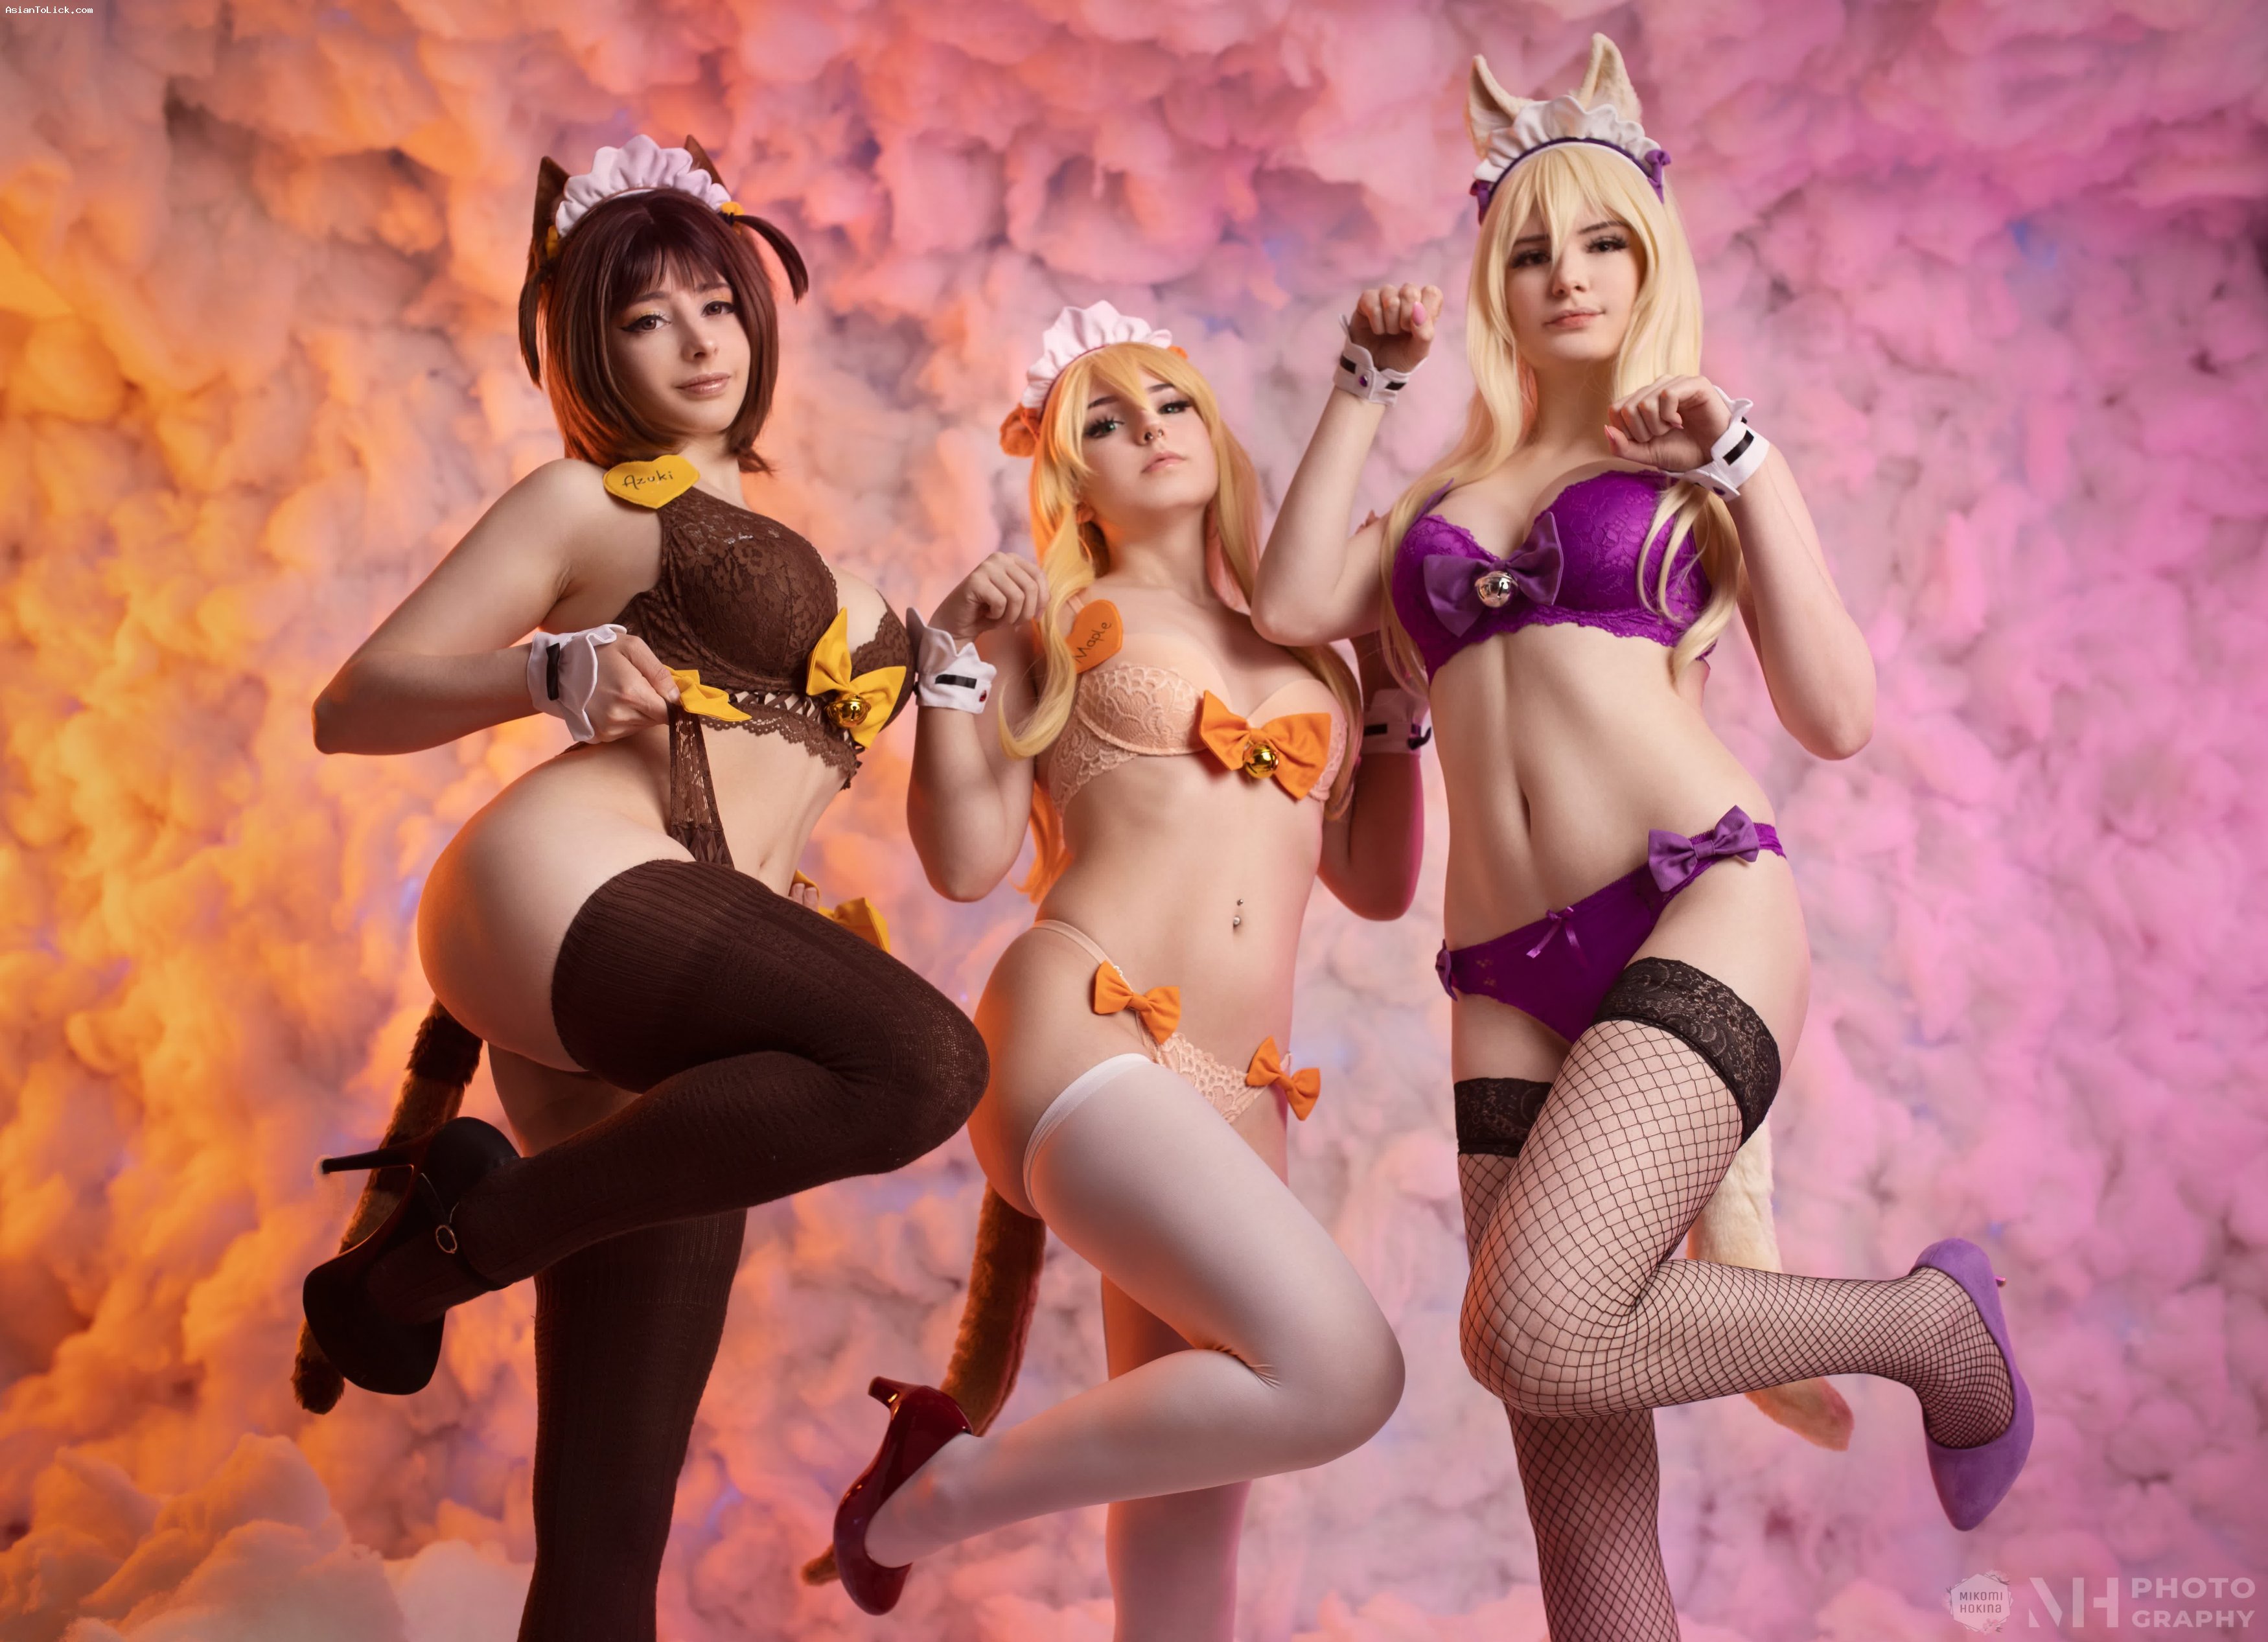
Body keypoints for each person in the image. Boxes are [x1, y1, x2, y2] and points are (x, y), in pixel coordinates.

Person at [1251, 39, 2032, 1640]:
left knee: (1529, 1326)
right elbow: (1287, 601)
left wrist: (1743, 466)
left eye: (1603, 240)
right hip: (1498, 972)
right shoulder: (1438, 493)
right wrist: (1360, 383)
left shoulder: (1695, 461)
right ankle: (1906, 1335)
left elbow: (1835, 713)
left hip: (1694, 903)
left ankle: (1929, 1328)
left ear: (1654, 256)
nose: (1567, 274)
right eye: (1529, 248)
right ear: (1492, 282)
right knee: (1578, 1496)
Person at [296, 135, 986, 1642]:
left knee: (610, 1542)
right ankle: (437, 1262)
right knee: (923, 1062)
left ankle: (433, 1252)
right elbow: (352, 705)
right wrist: (545, 672)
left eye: (717, 306)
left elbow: (966, 856)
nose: (696, 341)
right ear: (586, 348)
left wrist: (961, 668)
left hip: (668, 997)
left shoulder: (849, 574)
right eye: (645, 317)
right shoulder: (586, 500)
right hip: (563, 881)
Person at [822, 304, 1420, 1630]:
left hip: (1239, 1095)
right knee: (1342, 1372)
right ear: (1068, 475)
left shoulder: (1310, 647)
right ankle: (936, 1493)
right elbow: (966, 860)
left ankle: (940, 1490)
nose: (1149, 429)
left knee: (1186, 1517)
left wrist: (1394, 701)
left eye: (1172, 403)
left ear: (1216, 432)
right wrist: (950, 668)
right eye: (1106, 418)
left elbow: (1376, 884)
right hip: (1082, 1029)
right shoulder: (1052, 616)